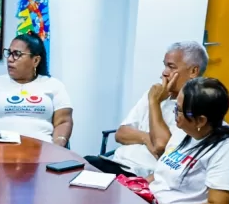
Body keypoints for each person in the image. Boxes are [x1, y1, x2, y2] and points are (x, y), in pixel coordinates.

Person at [86, 41, 208, 176]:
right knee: (81, 164)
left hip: (141, 174)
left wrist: (154, 103)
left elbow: (162, 147)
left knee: (85, 170)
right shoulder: (154, 93)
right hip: (117, 162)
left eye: (171, 67)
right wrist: (146, 138)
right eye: (165, 65)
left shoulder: (193, 106)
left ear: (193, 71)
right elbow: (120, 134)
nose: (164, 72)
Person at [146, 77, 229, 204]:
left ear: (201, 120)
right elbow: (161, 174)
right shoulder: (186, 130)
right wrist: (133, 187)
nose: (175, 113)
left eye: (179, 110)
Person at [0, 32, 73, 145]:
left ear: (35, 60)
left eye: (17, 54)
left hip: (42, 153)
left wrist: (58, 147)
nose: (10, 59)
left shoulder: (54, 85)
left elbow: (63, 121)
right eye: (9, 53)